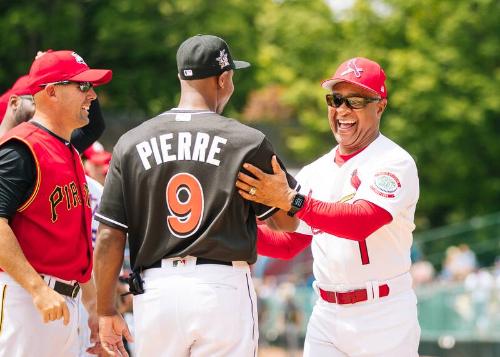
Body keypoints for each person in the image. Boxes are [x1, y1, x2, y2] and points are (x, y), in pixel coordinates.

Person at [93, 34, 298, 357]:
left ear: (180, 77)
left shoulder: (131, 143)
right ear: (225, 78)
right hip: (221, 287)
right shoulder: (247, 142)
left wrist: (105, 310)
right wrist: (290, 200)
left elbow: (109, 235)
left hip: (156, 290)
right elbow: (287, 223)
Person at [236, 57, 421, 356]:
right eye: (336, 99)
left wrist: (291, 200)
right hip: (326, 313)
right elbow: (287, 243)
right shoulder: (314, 171)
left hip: (383, 315)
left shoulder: (394, 161)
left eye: (356, 101)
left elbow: (361, 221)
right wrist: (227, 231)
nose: (343, 110)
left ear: (380, 106)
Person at [0, 50, 112, 356]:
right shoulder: (21, 148)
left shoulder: (68, 152)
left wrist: (92, 308)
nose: (91, 95)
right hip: (27, 300)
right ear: (51, 92)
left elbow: (73, 249)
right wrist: (37, 290)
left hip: (65, 302)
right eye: (82, 87)